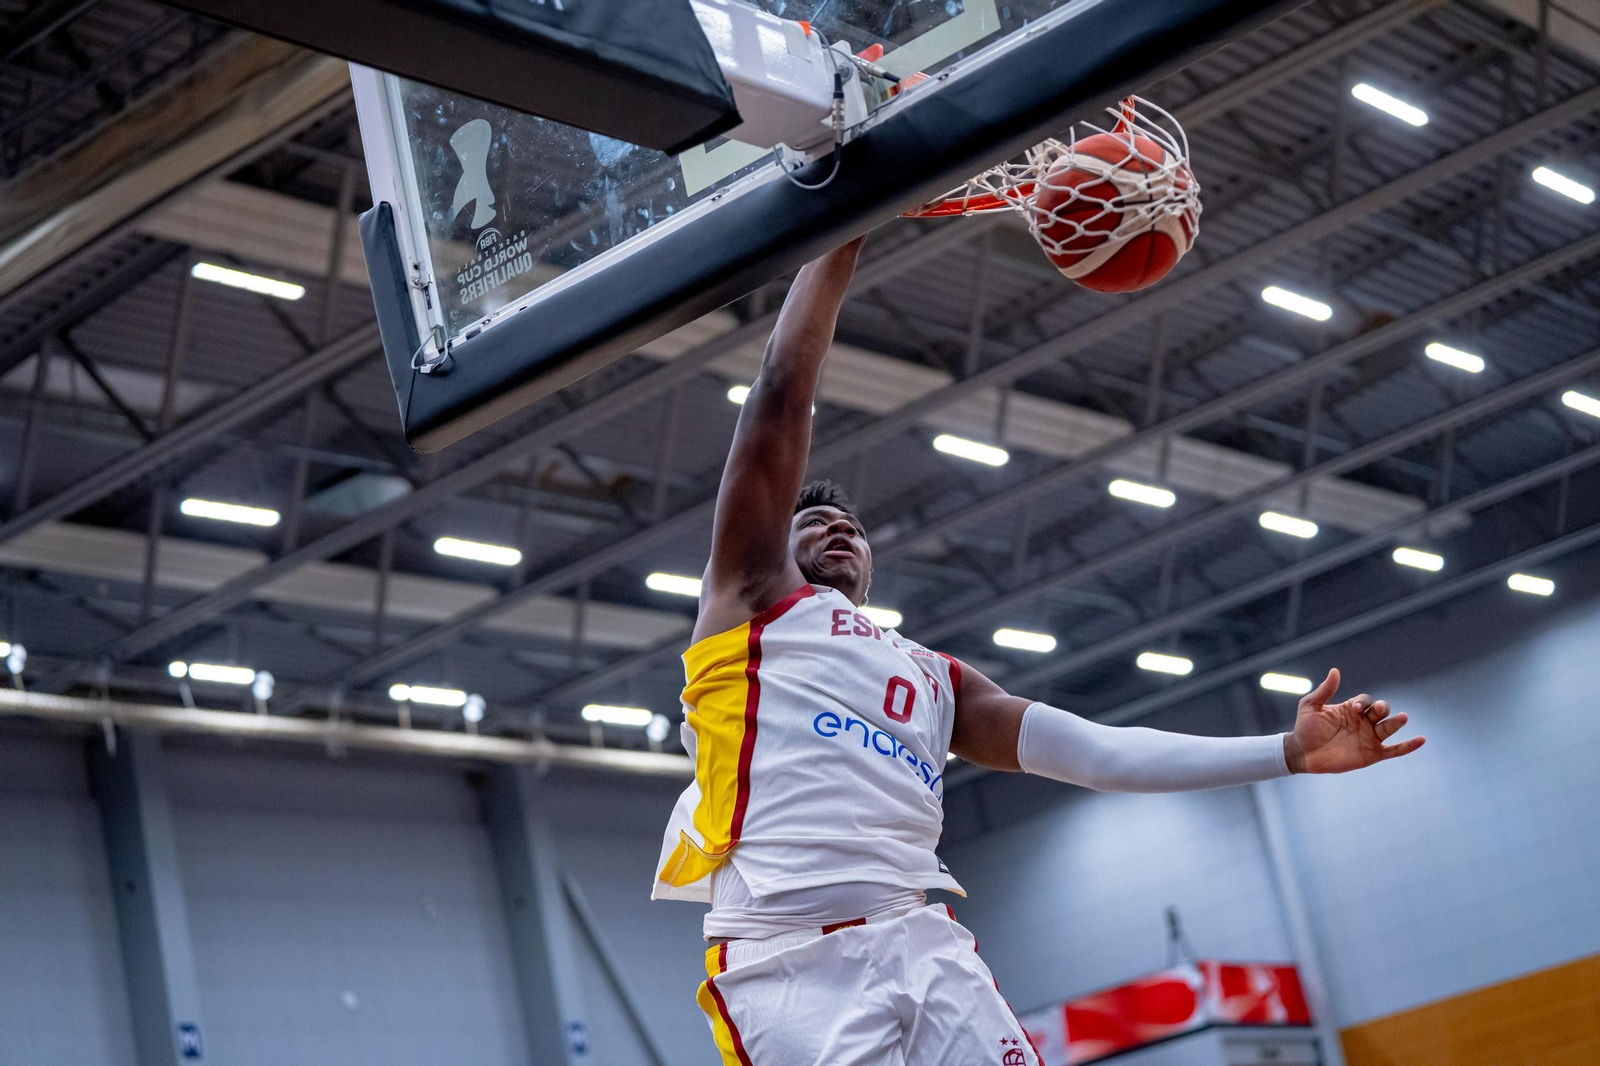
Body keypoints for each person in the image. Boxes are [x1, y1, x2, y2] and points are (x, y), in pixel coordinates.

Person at [651, 237, 1424, 1066]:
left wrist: (1285, 752)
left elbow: (1098, 752)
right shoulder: (752, 603)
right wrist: (848, 225)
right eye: (813, 521)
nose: (840, 526)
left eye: (854, 527)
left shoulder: (934, 675)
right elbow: (780, 391)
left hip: (921, 930)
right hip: (786, 956)